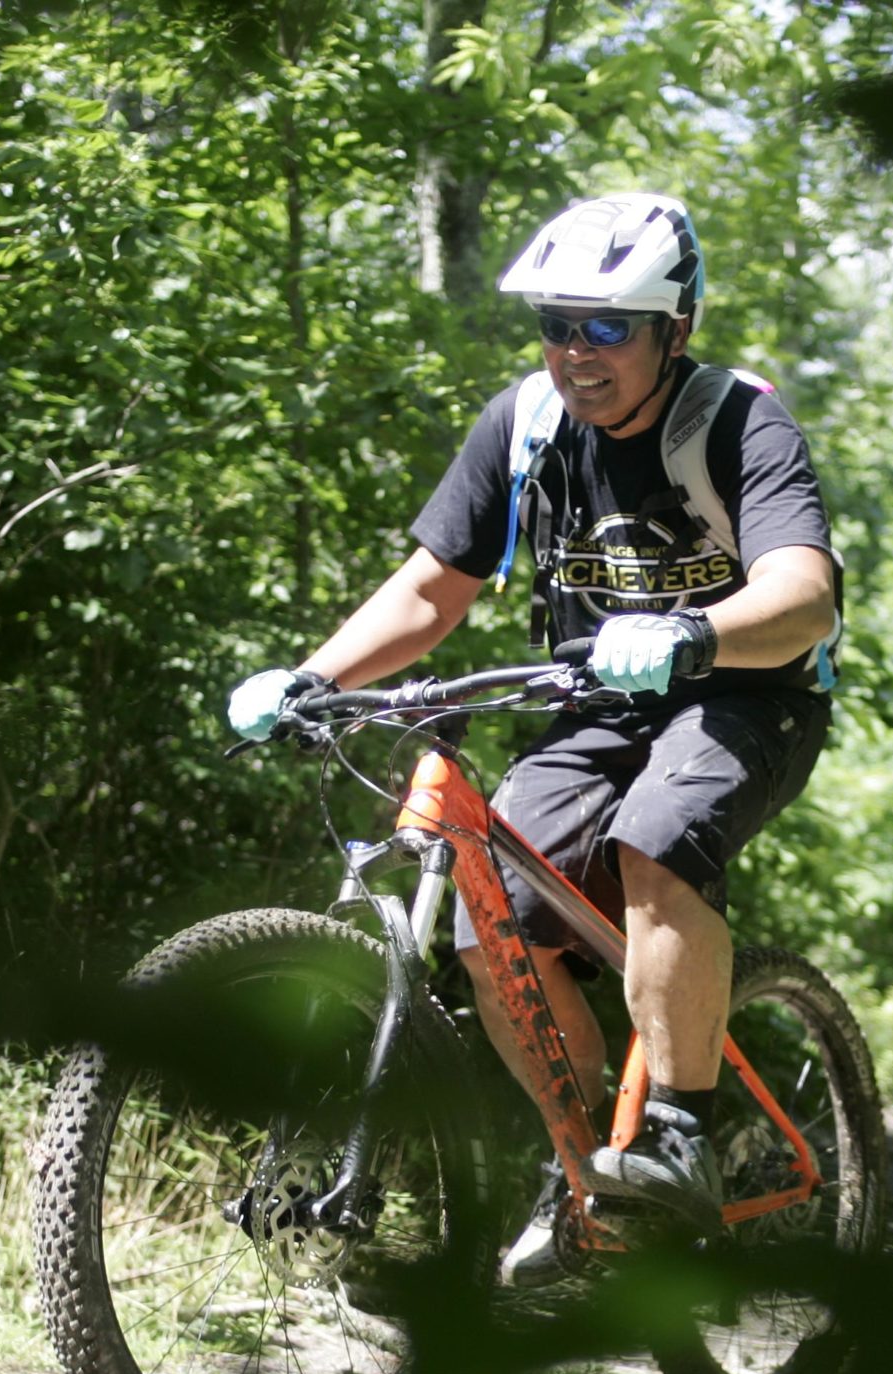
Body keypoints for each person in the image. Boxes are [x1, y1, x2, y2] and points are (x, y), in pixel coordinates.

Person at [227, 191, 842, 1284]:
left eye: (608, 326)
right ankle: (590, 1174)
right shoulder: (525, 425)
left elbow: (804, 601)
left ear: (674, 329)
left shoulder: (739, 421)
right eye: (558, 325)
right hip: (593, 706)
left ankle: (682, 1138)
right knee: (487, 912)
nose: (575, 352)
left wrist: (695, 634)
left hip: (748, 693)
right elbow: (434, 587)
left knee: (656, 837)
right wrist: (313, 676)